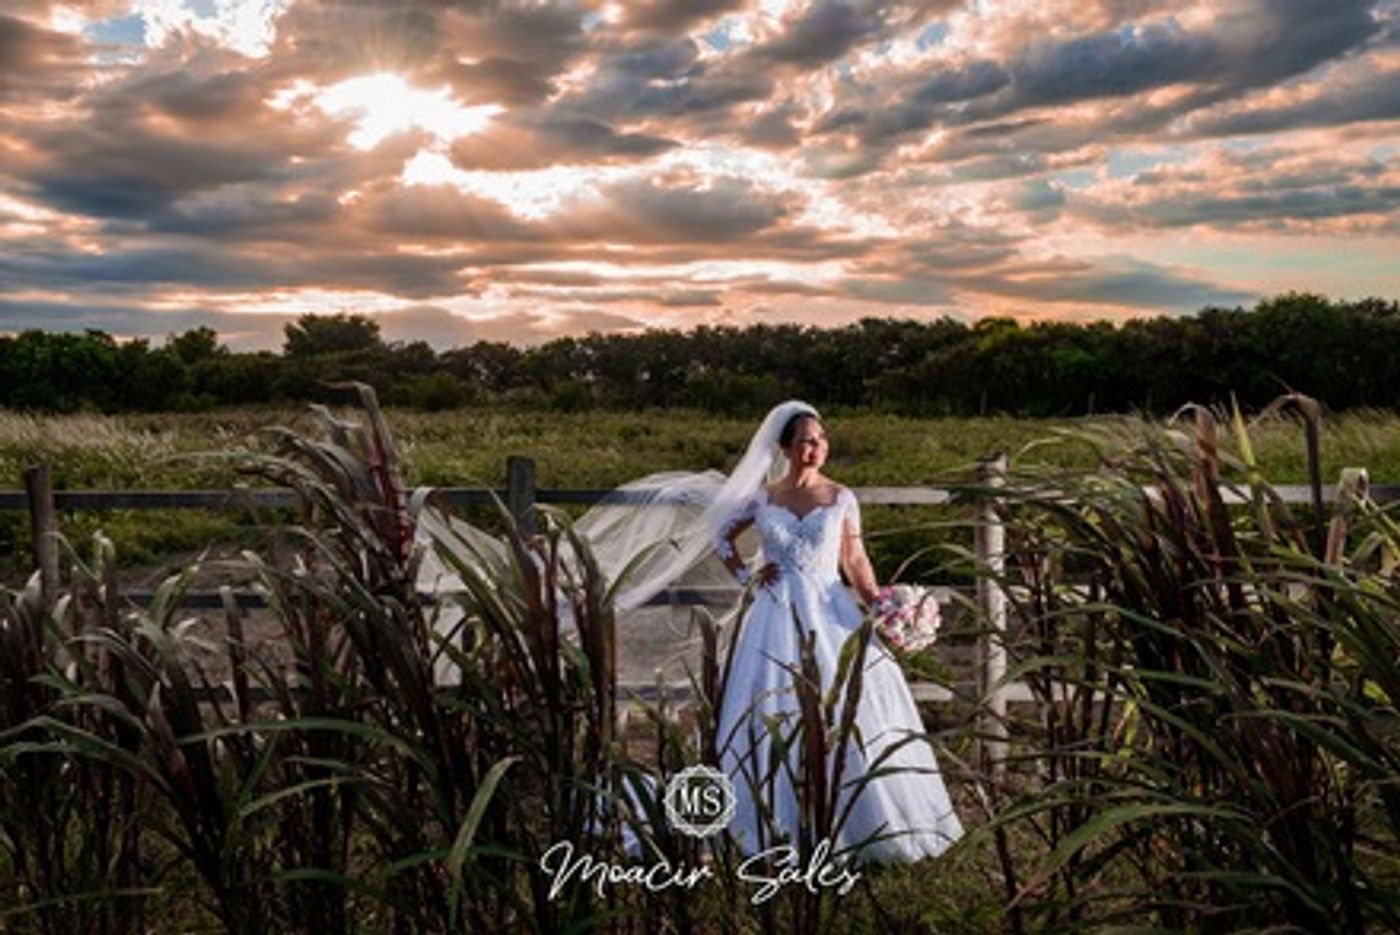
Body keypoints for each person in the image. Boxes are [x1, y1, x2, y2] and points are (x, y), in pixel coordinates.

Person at [708, 402, 963, 864]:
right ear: (786, 448)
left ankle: (862, 821)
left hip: (830, 610)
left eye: (821, 439)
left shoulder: (841, 497)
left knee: (850, 702)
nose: (817, 448)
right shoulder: (764, 498)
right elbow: (721, 536)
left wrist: (881, 605)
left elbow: (855, 560)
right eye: (807, 441)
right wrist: (747, 577)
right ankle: (772, 819)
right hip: (776, 613)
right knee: (773, 704)